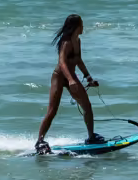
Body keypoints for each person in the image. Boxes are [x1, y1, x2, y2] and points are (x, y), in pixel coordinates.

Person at [35, 14, 102, 154]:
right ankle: (40, 141)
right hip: (59, 77)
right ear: (76, 26)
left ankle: (91, 137)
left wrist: (89, 78)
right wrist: (71, 80)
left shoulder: (78, 41)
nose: (83, 27)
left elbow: (79, 60)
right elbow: (62, 62)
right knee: (52, 110)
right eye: (81, 24)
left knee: (87, 106)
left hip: (71, 76)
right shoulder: (66, 42)